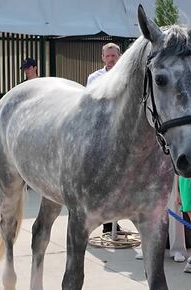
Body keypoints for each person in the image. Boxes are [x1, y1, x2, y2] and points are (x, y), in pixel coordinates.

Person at [86, 42, 122, 233]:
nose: (110, 59)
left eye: (113, 55)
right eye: (107, 56)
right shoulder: (95, 78)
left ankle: (112, 223)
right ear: (102, 57)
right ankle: (103, 222)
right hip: (101, 132)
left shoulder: (127, 76)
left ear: (119, 56)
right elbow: (91, 102)